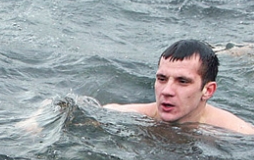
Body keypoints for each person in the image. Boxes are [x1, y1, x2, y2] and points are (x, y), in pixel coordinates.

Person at [104, 39, 254, 135]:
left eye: (182, 81)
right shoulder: (122, 116)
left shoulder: (238, 134)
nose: (166, 91)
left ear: (208, 91)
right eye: (162, 79)